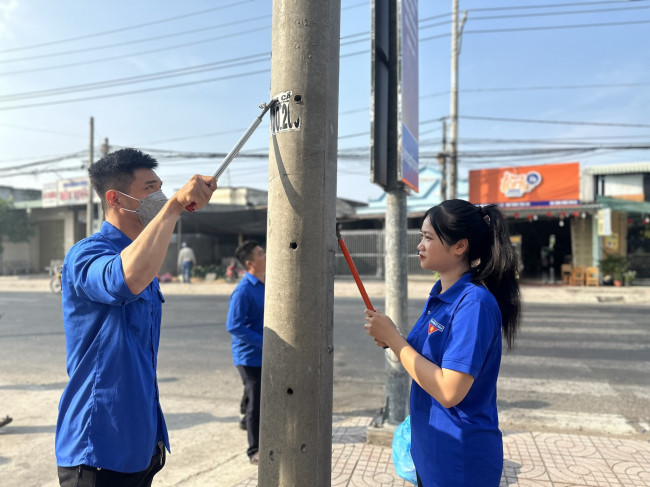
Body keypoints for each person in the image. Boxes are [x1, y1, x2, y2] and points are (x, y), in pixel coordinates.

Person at [55, 148, 216, 487]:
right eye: (150, 189)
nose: (159, 196)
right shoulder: (87, 253)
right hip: (98, 449)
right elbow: (124, 279)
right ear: (116, 198)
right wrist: (172, 207)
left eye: (162, 189)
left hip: (141, 445)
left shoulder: (143, 257)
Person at [363, 199, 520, 487]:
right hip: (431, 451)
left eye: (427, 238)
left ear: (460, 246)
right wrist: (390, 338)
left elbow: (449, 390)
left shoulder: (473, 303)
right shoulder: (440, 294)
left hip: (460, 460)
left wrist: (396, 342)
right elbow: (425, 358)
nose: (420, 245)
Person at [225, 240, 266, 464]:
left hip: (264, 354)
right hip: (249, 356)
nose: (266, 255)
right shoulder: (242, 291)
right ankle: (254, 450)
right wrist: (264, 342)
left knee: (256, 394)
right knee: (256, 403)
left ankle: (245, 415)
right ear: (250, 263)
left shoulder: (265, 284)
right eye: (261, 253)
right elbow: (233, 325)